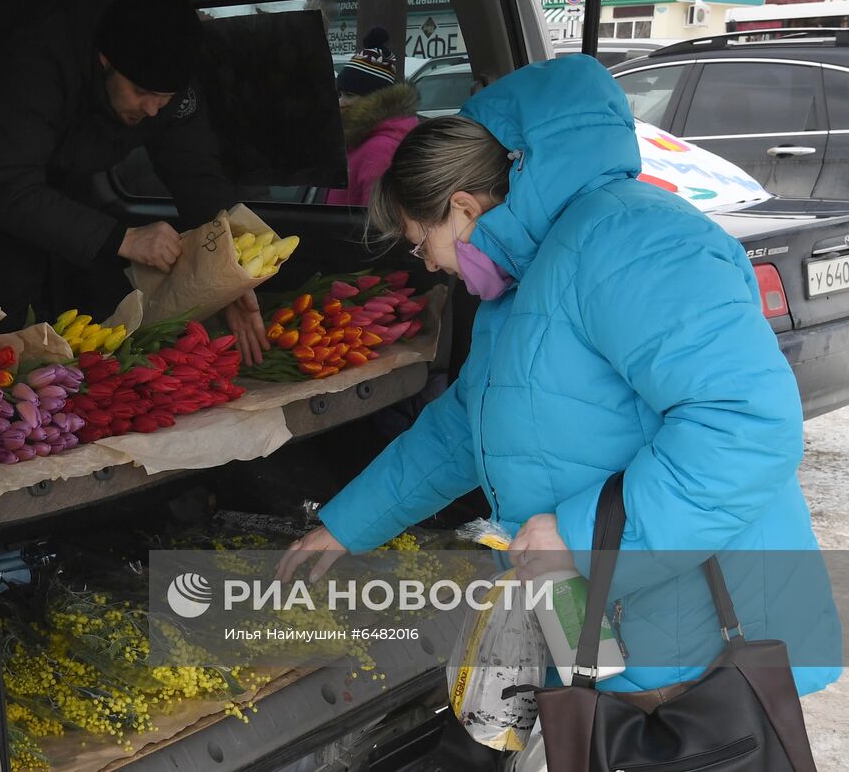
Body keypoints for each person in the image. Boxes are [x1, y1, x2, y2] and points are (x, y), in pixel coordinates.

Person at [277, 54, 840, 697]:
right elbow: (466, 428)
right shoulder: (525, 278)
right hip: (622, 632)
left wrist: (578, 538)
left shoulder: (633, 240)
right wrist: (347, 525)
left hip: (707, 645)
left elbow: (747, 426)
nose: (427, 265)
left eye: (418, 241)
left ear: (462, 209)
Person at [0, 0, 268, 363]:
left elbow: (196, 176)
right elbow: (9, 187)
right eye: (141, 92)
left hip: (49, 168)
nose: (152, 109)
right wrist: (124, 239)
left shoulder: (169, 86)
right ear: (104, 60)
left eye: (165, 97)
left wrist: (230, 273)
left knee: (20, 292)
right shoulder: (40, 57)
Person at [324, 27, 419, 207]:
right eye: (340, 94)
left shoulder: (379, 149)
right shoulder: (359, 138)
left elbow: (376, 222)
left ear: (374, 99)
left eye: (350, 95)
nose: (341, 102)